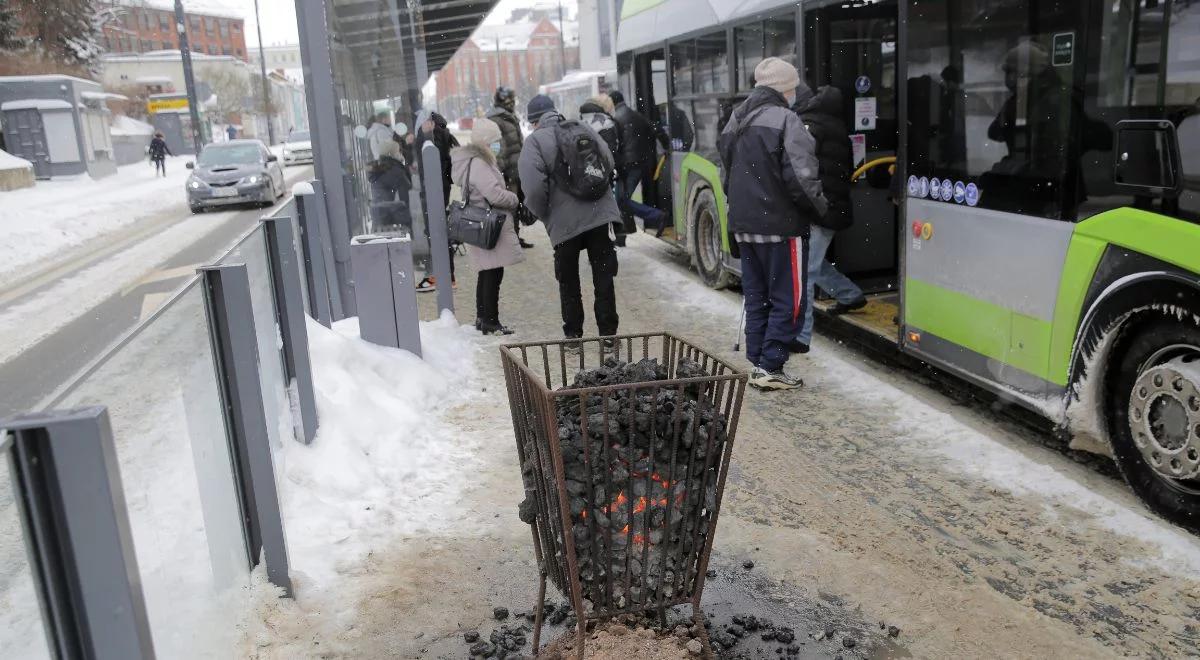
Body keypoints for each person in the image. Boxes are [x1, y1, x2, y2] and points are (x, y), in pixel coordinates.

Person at [719, 58, 827, 391]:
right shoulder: (786, 120)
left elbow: (727, 170)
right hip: (781, 226)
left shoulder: (736, 119)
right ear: (785, 88)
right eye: (794, 87)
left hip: (744, 224)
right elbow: (801, 178)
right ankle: (771, 365)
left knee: (757, 295)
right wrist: (821, 209)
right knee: (788, 297)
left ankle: (759, 360)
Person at [518, 94, 623, 349]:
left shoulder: (534, 143)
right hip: (599, 211)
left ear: (533, 122)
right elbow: (608, 161)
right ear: (555, 112)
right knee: (603, 275)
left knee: (568, 279)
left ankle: (573, 337)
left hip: (564, 223)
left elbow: (532, 188)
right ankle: (608, 335)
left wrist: (545, 213)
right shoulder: (581, 127)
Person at [791, 85, 867, 353]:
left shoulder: (811, 125)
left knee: (806, 270)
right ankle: (850, 294)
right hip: (834, 208)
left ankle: (801, 336)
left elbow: (800, 168)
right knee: (812, 261)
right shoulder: (841, 130)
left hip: (820, 209)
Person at [450, 118, 525, 335]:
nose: (498, 145)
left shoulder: (472, 161)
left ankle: (483, 318)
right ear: (484, 142)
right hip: (488, 223)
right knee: (492, 273)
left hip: (479, 222)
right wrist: (514, 199)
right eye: (494, 141)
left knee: (487, 272)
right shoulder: (480, 163)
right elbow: (493, 194)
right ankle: (490, 320)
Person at [609, 90, 669, 236]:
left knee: (621, 200)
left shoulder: (617, 118)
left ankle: (656, 216)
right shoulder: (634, 114)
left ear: (613, 102)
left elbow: (617, 145)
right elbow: (655, 128)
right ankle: (627, 230)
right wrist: (666, 145)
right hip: (640, 162)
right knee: (621, 200)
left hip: (628, 165)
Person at [414, 110, 460, 292]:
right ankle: (444, 275)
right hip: (439, 190)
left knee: (436, 232)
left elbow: (432, 163)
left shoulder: (434, 139)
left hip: (435, 191)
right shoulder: (441, 135)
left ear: (430, 123)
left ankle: (444, 276)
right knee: (437, 231)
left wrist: (421, 136)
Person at [487, 86, 534, 249]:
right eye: (509, 99)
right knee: (509, 206)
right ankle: (509, 241)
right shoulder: (497, 118)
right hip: (507, 172)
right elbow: (495, 147)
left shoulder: (508, 116)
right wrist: (500, 170)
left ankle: (514, 237)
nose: (512, 103)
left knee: (515, 204)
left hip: (516, 169)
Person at [579, 95, 625, 242]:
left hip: (584, 175)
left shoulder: (580, 121)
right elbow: (610, 152)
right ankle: (606, 243)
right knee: (605, 209)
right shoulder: (606, 122)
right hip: (603, 176)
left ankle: (595, 242)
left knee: (591, 211)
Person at [368, 140, 412, 228]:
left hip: (378, 217)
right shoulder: (396, 171)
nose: (401, 153)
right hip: (393, 221)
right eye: (398, 150)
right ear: (393, 153)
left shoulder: (378, 169)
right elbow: (406, 199)